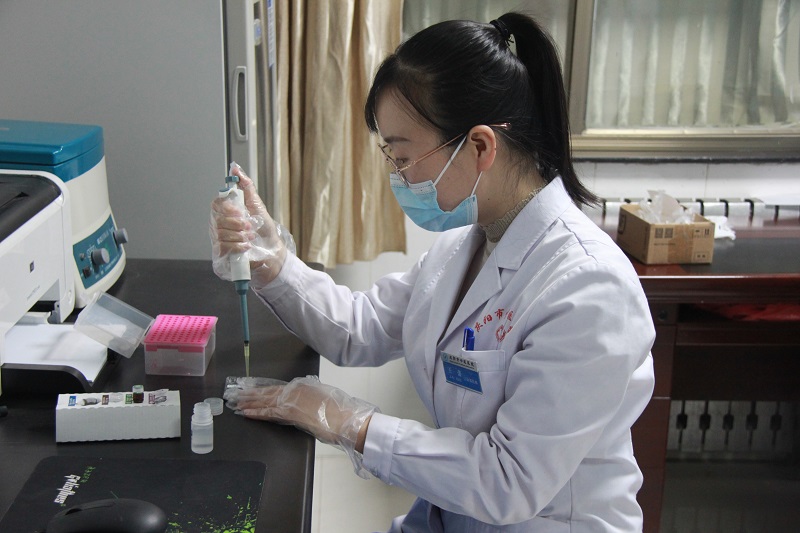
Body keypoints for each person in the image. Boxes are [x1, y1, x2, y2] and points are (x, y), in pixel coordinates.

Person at [211, 12, 655, 533]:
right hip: (454, 516)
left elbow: (507, 481)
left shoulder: (588, 288)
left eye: (403, 157)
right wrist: (270, 260)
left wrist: (352, 424)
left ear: (481, 146)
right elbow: (360, 328)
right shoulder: (465, 245)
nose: (398, 177)